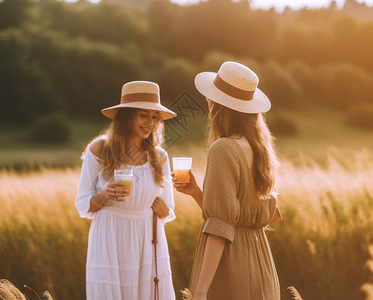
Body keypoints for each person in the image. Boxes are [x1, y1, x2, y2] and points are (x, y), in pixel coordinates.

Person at [174, 61, 282, 300]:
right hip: (261, 263)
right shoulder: (259, 149)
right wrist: (196, 192)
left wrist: (201, 291)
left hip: (232, 265)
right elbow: (236, 215)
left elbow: (221, 227)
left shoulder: (223, 148)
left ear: (218, 105)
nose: (207, 102)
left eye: (210, 98)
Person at [75, 80, 177, 300]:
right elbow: (82, 203)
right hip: (109, 236)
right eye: (143, 115)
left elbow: (168, 210)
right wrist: (103, 196)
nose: (150, 122)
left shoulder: (159, 157)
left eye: (154, 117)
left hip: (148, 240)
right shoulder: (99, 149)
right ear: (126, 116)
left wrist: (164, 211)